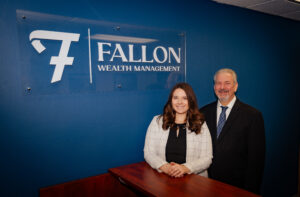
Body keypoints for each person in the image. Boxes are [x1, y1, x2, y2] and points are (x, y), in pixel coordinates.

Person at [200, 68, 265, 194]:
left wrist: (250, 192)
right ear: (214, 87)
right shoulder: (203, 113)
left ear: (235, 87)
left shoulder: (252, 116)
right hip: (207, 184)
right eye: (218, 83)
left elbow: (256, 161)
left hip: (238, 187)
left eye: (227, 83)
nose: (222, 87)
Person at [144, 82, 212, 178]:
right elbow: (149, 153)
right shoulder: (157, 121)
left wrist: (184, 168)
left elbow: (207, 158)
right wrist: (165, 167)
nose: (180, 102)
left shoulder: (200, 124)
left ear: (190, 101)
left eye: (184, 98)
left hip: (194, 181)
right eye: (176, 98)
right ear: (171, 101)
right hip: (163, 177)